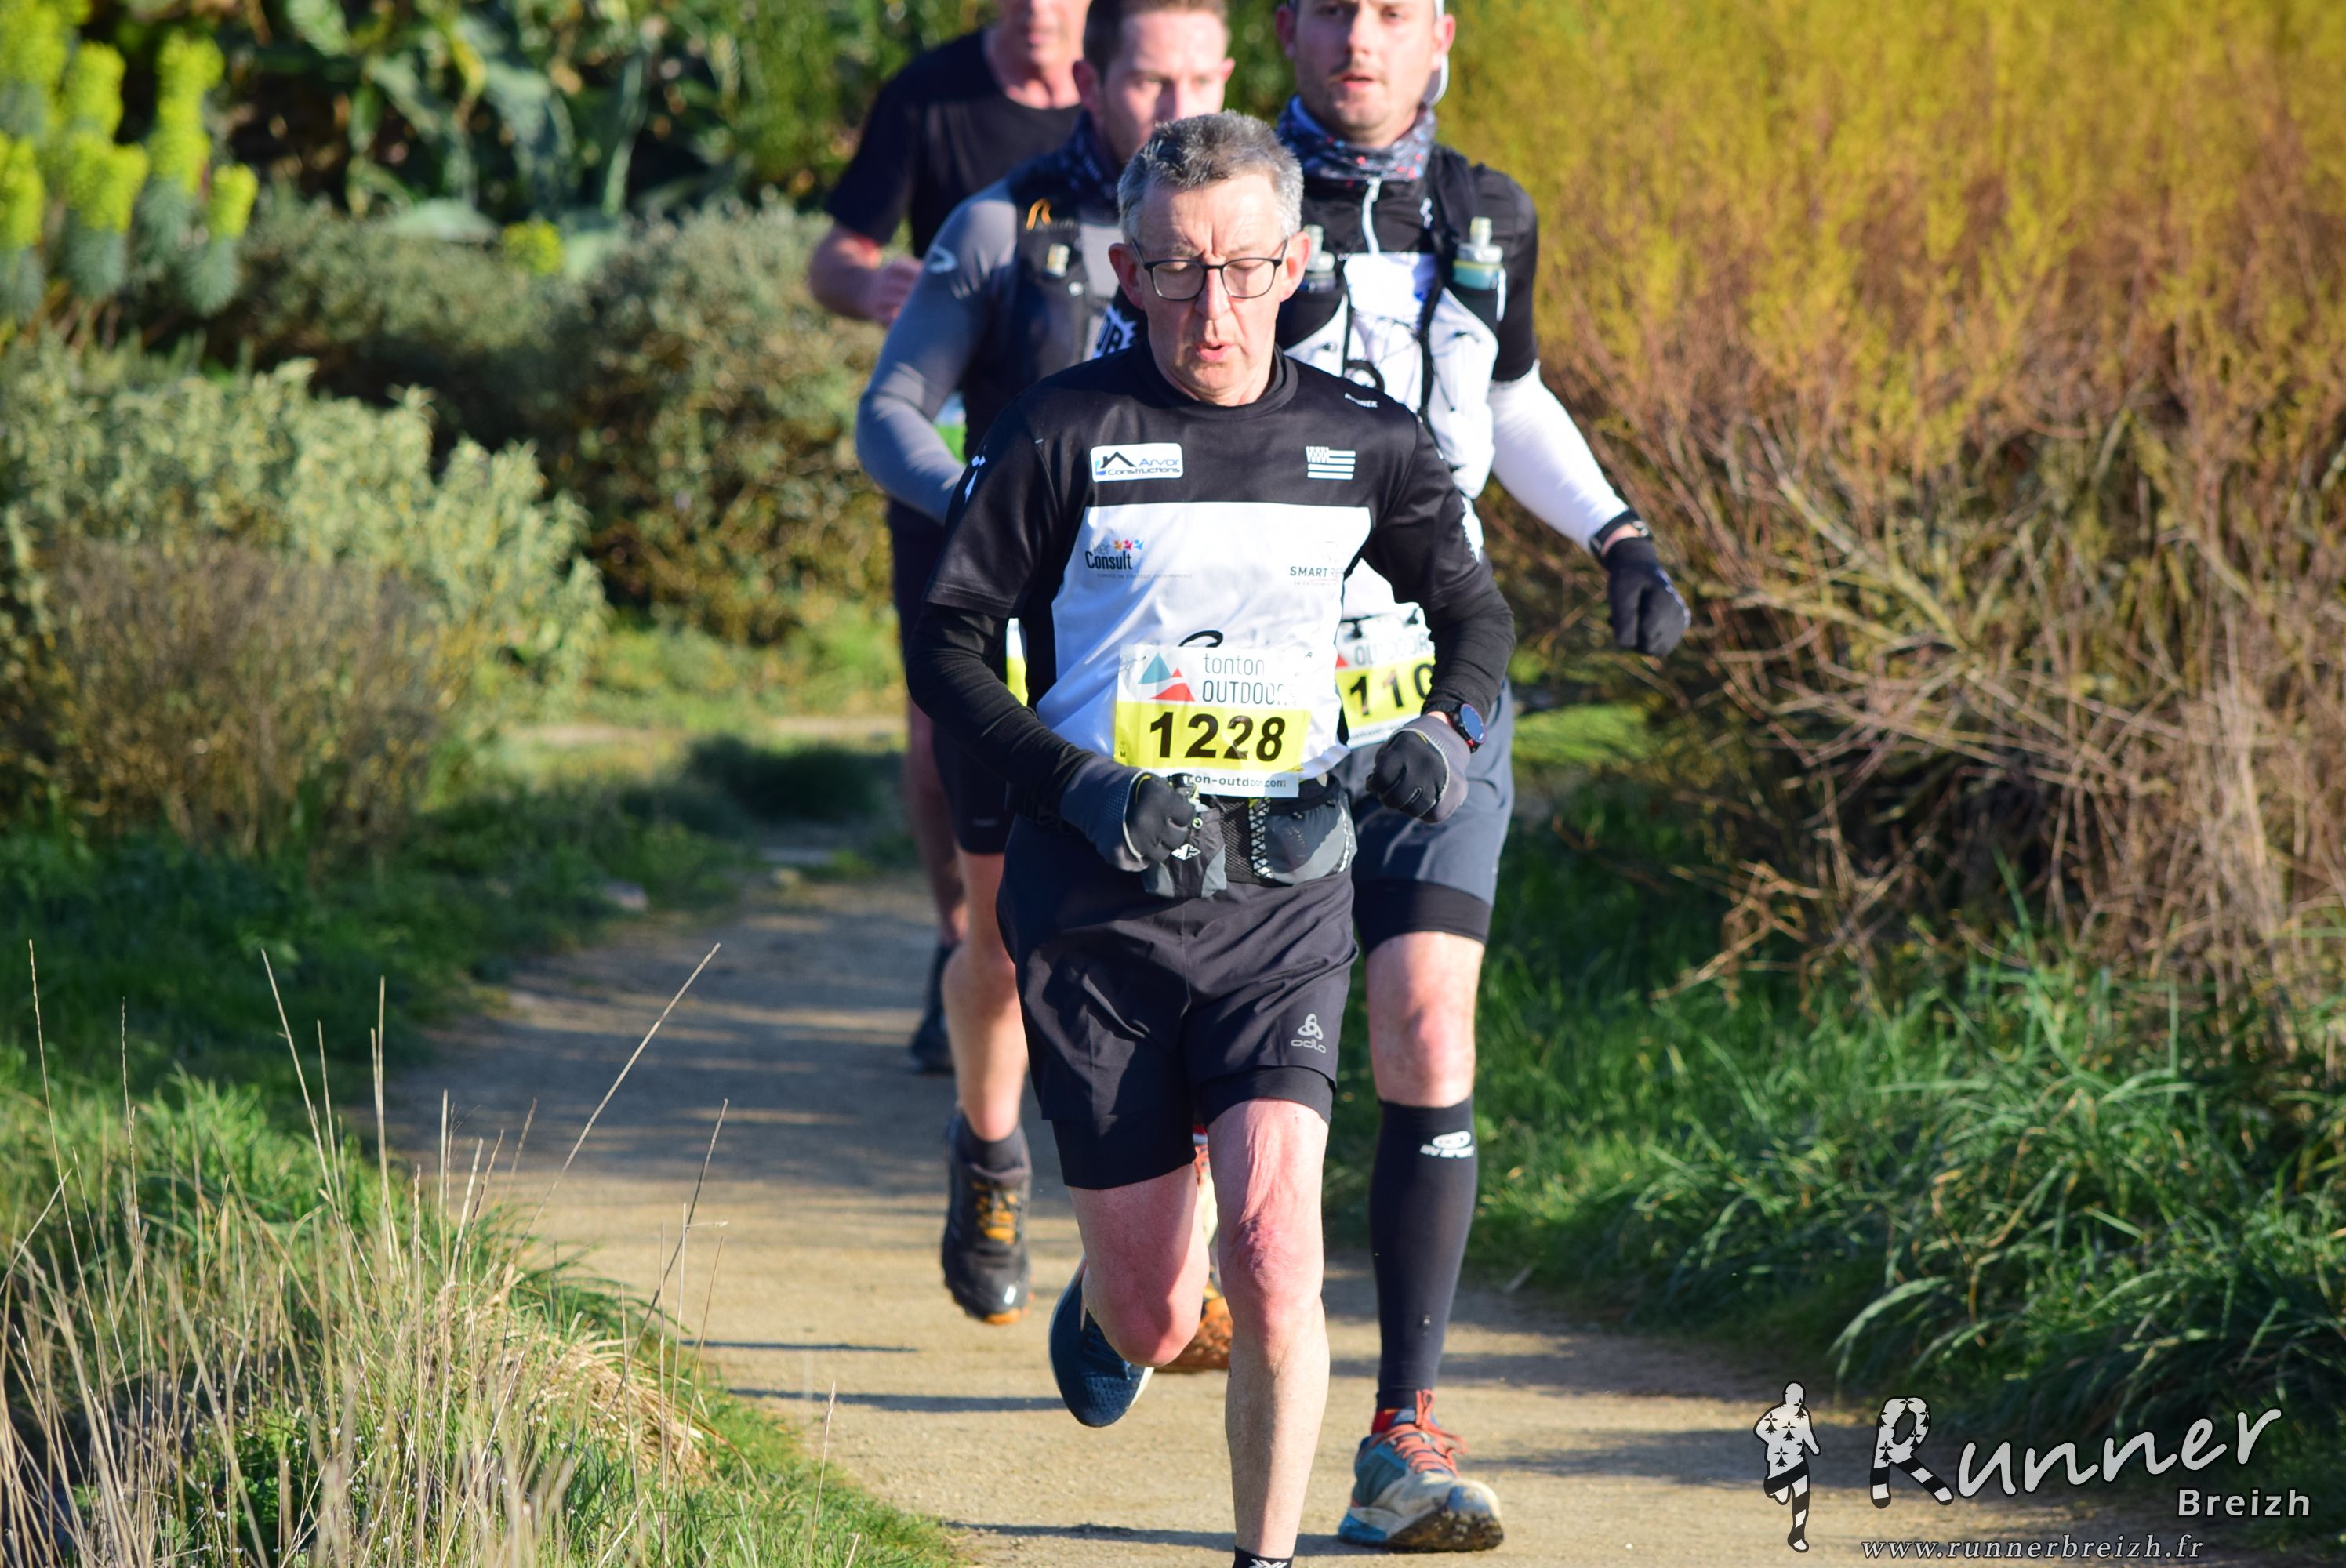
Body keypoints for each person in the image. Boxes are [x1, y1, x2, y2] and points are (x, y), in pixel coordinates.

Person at [904, 112, 1515, 1568]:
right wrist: (1081, 785)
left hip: (1282, 900)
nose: (1213, 305)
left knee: (1279, 1250)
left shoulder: (1367, 442)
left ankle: (1266, 1553)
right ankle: (1121, 1290)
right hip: (1098, 912)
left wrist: (1439, 738)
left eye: (1243, 267)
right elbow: (949, 647)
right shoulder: (1058, 433)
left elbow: (1477, 615)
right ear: (1128, 272)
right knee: (1155, 1317)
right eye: (1176, 271)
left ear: (1296, 264)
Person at [1270, 0, 1690, 1552]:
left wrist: (1618, 533)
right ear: (1284, 26)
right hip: (1249, 685)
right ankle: (1144, 1277)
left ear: (1440, 32)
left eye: (1394, 9)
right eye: (1333, 7)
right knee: (1231, 1062)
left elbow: (1505, 396)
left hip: (1441, 679)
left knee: (1425, 1019)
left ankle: (1403, 1434)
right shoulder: (1230, 195)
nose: (1361, 39)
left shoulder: (1487, 210)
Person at [855, 0, 1235, 1329]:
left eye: (1199, 79)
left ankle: (1169, 1255)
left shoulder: (1253, 240)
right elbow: (888, 411)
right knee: (1010, 942)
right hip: (1016, 641)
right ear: (1088, 78)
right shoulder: (1000, 227)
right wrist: (982, 499)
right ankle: (991, 1154)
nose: (1176, 111)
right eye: (1147, 81)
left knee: (1200, 941)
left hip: (1188, 651)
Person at [810, 0, 1092, 1075]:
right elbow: (835, 256)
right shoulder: (930, 98)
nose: (1039, 14)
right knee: (941, 743)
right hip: (957, 480)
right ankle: (963, 944)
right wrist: (871, 283)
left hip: (1106, 491)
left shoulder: (1149, 100)